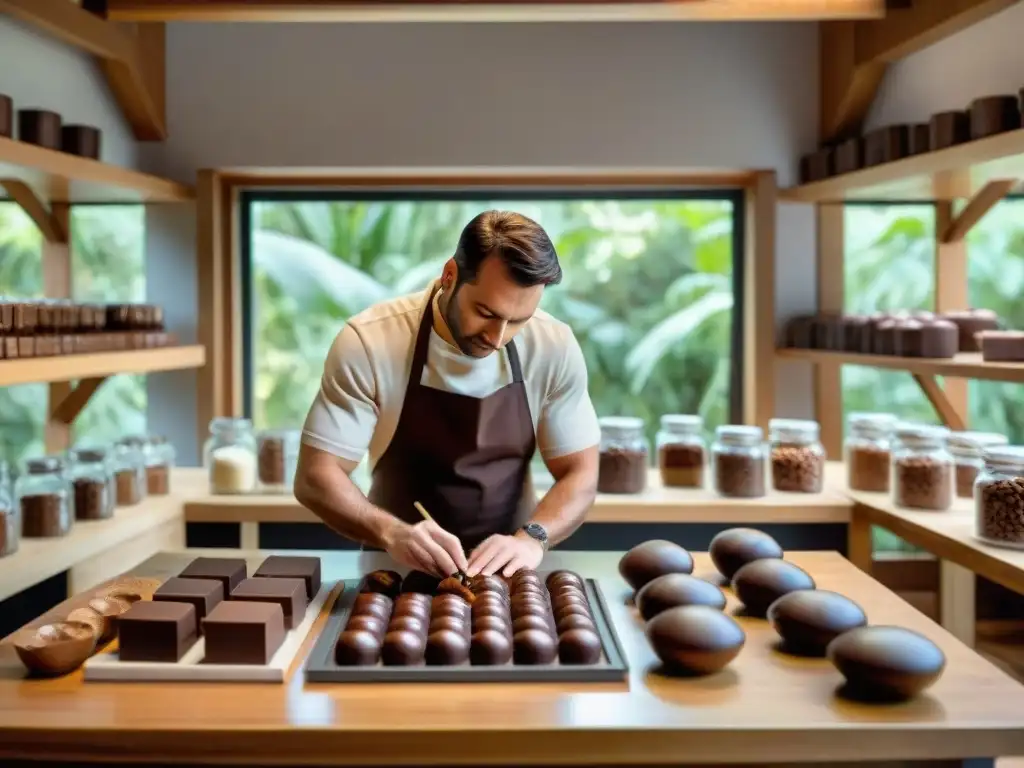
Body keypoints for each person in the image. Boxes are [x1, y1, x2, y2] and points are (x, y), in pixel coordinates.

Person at [294, 210, 600, 579]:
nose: (498, 336)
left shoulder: (553, 345)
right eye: (486, 312)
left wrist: (532, 538)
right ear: (449, 276)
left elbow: (580, 473)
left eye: (518, 320)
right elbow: (316, 475)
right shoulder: (370, 342)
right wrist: (391, 532)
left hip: (510, 573)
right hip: (393, 570)